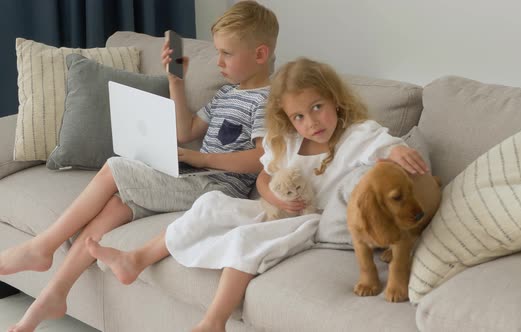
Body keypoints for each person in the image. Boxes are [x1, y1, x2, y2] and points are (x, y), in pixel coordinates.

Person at [87, 57, 428, 332]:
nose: (311, 122)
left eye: (317, 107)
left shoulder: (356, 136)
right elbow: (265, 177)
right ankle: (136, 259)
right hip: (280, 209)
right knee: (211, 205)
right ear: (286, 117)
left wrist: (396, 153)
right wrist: (275, 198)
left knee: (248, 239)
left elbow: (385, 148)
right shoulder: (290, 141)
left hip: (314, 222)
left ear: (336, 100)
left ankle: (214, 320)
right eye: (298, 115)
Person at [0, 1, 279, 331]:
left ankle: (43, 246)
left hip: (218, 185)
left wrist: (199, 158)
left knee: (115, 167)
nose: (218, 61)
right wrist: (176, 80)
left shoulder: (267, 100)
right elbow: (185, 131)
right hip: (195, 175)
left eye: (226, 54)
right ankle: (54, 294)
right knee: (115, 207)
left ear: (260, 55)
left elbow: (262, 158)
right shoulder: (228, 93)